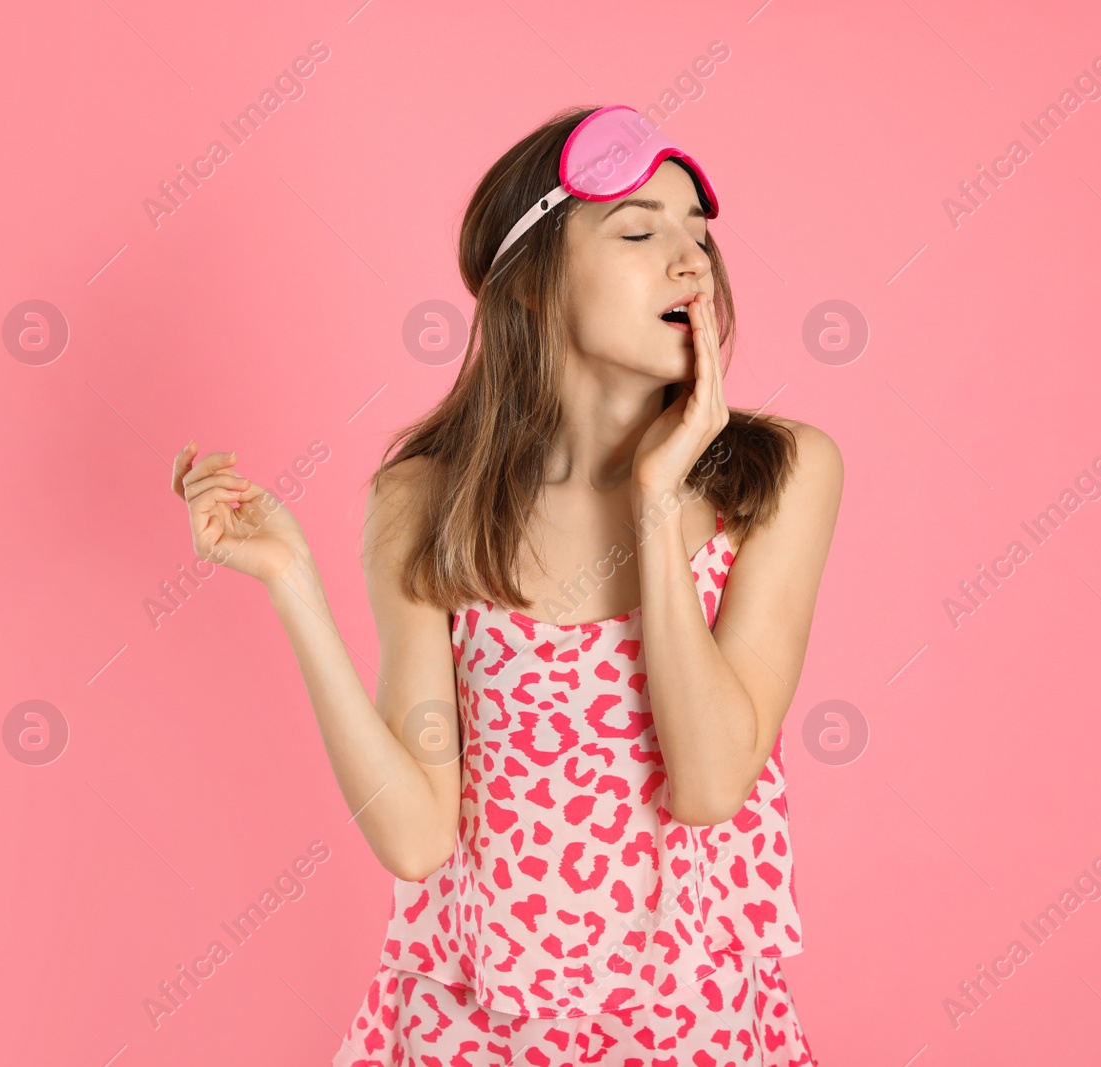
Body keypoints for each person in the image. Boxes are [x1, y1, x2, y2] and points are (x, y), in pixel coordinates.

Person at [171, 103, 841, 1065]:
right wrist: (293, 585)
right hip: (467, 1033)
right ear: (529, 286)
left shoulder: (781, 475)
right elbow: (414, 837)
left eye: (699, 232)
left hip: (691, 1035)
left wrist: (655, 498)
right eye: (641, 231)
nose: (693, 261)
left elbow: (706, 783)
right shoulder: (424, 501)